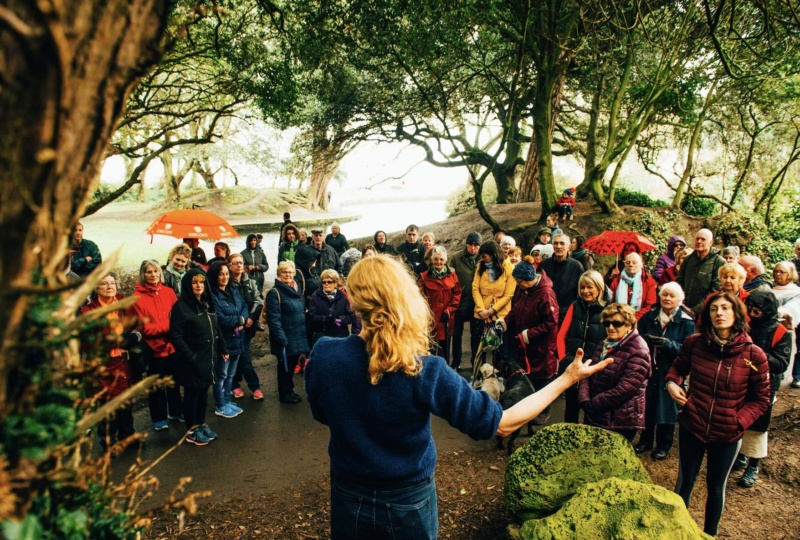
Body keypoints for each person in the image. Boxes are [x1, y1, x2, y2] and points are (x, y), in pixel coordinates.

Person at [304, 255, 612, 540]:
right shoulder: (425, 370)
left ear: (353, 300)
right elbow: (503, 424)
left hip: (348, 495)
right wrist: (566, 379)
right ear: (405, 298)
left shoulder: (325, 354)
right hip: (408, 503)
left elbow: (322, 413)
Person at [666, 291, 770, 536]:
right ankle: (676, 532)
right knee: (685, 482)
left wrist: (738, 422)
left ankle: (709, 534)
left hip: (727, 434)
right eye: (713, 309)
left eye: (725, 308)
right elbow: (677, 368)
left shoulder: (753, 355)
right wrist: (671, 383)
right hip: (692, 424)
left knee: (715, 487)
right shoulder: (695, 344)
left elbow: (761, 399)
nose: (719, 313)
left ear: (737, 314)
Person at [733, 291, 791, 487]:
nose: (752, 313)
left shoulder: (780, 332)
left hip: (764, 387)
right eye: (749, 309)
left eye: (756, 310)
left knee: (758, 428)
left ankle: (753, 465)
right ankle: (740, 455)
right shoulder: (745, 326)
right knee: (738, 420)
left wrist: (758, 354)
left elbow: (781, 363)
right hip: (741, 382)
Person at [636, 282, 695, 460]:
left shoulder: (686, 321)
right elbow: (637, 339)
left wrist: (670, 345)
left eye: (671, 295)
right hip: (650, 369)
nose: (667, 298)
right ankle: (645, 441)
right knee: (648, 405)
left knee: (667, 408)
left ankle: (663, 445)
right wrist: (646, 341)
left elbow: (690, 350)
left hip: (671, 371)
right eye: (664, 295)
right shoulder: (649, 317)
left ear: (679, 300)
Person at [80, 273, 140, 450]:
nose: (109, 286)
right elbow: (88, 342)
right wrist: (120, 341)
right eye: (104, 283)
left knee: (126, 402)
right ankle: (109, 442)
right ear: (96, 288)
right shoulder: (89, 311)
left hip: (125, 362)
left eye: (112, 283)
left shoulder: (123, 305)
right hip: (104, 364)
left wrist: (134, 336)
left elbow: (136, 326)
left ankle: (127, 436)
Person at [169, 268, 228, 446]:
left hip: (208, 357)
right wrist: (191, 356)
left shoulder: (207, 302)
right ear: (188, 285)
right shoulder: (181, 307)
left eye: (201, 282)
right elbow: (176, 336)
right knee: (192, 394)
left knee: (203, 393)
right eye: (194, 282)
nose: (198, 286)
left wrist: (223, 346)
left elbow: (215, 326)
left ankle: (201, 424)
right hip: (192, 360)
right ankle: (191, 429)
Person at [497, 256, 559, 424]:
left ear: (529, 279)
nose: (518, 285)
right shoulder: (522, 290)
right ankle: (528, 409)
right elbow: (515, 310)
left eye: (520, 281)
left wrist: (530, 334)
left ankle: (543, 412)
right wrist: (505, 321)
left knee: (542, 379)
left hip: (541, 347)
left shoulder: (546, 294)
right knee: (527, 376)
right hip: (524, 345)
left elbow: (551, 322)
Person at [578, 303, 651, 442]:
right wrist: (584, 399)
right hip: (596, 413)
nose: (611, 327)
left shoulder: (639, 350)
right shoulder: (604, 343)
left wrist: (593, 404)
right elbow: (589, 372)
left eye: (617, 323)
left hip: (620, 421)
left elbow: (626, 388)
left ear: (629, 325)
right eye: (607, 323)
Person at [127, 260, 181, 430]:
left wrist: (170, 328)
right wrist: (168, 327)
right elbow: (144, 328)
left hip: (171, 345)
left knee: (173, 381)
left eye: (156, 271)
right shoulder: (136, 298)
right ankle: (159, 418)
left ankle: (176, 411)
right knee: (156, 385)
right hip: (153, 348)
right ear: (143, 275)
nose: (153, 275)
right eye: (149, 272)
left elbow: (178, 317)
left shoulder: (169, 292)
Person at [557, 270, 608, 423]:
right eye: (582, 287)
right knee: (571, 409)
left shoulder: (608, 309)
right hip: (574, 364)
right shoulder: (575, 306)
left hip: (595, 368)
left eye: (590, 287)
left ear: (599, 287)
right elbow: (561, 335)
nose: (585, 291)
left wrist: (602, 363)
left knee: (591, 411)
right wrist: (564, 358)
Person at [207, 262, 248, 418]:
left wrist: (242, 318)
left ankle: (227, 401)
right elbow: (220, 319)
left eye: (226, 273)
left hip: (237, 339)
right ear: (214, 276)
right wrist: (239, 320)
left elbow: (244, 306)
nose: (224, 277)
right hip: (224, 341)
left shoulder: (233, 289)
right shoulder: (212, 295)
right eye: (220, 274)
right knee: (221, 375)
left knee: (230, 374)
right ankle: (220, 405)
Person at [265, 261, 310, 404]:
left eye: (290, 272)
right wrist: (281, 338)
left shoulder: (297, 290)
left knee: (291, 366)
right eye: (284, 272)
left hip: (297, 334)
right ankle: (285, 394)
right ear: (279, 274)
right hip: (285, 337)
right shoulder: (275, 293)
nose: (288, 275)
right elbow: (274, 320)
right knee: (284, 367)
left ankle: (289, 391)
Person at [228, 254, 264, 401]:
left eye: (241, 263)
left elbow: (258, 300)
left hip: (248, 324)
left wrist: (251, 317)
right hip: (233, 325)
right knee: (241, 354)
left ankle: (235, 383)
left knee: (242, 353)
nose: (239, 265)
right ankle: (252, 386)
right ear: (230, 266)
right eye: (235, 263)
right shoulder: (227, 283)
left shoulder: (251, 281)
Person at [418, 246, 462, 362]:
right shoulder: (424, 277)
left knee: (445, 349)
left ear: (445, 260)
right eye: (436, 259)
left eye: (441, 259)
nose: (438, 262)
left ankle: (445, 369)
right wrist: (425, 314)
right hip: (430, 320)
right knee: (430, 350)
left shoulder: (453, 276)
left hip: (446, 319)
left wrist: (449, 311)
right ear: (432, 260)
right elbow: (419, 298)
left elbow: (457, 294)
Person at [450, 232, 482, 371]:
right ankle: (456, 361)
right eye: (470, 245)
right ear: (466, 244)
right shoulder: (456, 258)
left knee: (476, 336)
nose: (473, 248)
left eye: (476, 245)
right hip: (460, 303)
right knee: (457, 335)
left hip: (477, 304)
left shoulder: (483, 259)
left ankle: (475, 361)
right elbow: (450, 279)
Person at [677, 228, 726, 314]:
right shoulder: (688, 260)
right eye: (697, 239)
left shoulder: (718, 262)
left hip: (706, 311)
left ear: (711, 242)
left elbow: (716, 289)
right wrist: (681, 303)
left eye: (703, 239)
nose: (699, 241)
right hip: (684, 308)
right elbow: (679, 281)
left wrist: (696, 310)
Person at [539, 234, 584, 325]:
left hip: (566, 314)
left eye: (562, 243)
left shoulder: (576, 267)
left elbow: (580, 293)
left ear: (569, 247)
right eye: (556, 243)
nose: (558, 246)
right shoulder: (544, 265)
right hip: (545, 312)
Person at [308, 268, 358, 347]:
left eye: (329, 282)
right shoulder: (315, 297)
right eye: (324, 282)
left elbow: (351, 317)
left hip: (340, 337)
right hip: (323, 337)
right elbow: (311, 316)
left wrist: (338, 320)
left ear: (335, 283)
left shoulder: (342, 297)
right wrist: (326, 319)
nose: (326, 284)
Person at [473, 241, 516, 325]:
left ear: (493, 255)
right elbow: (475, 289)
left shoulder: (509, 268)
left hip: (501, 315)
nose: (482, 259)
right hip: (481, 314)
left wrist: (490, 311)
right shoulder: (480, 266)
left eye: (484, 257)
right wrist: (482, 310)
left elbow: (508, 295)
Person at [609, 252, 657, 321]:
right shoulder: (616, 281)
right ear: (624, 264)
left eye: (634, 263)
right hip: (619, 319)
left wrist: (634, 318)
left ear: (640, 265)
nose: (631, 265)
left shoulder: (648, 282)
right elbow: (611, 303)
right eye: (628, 262)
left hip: (641, 320)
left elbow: (650, 305)